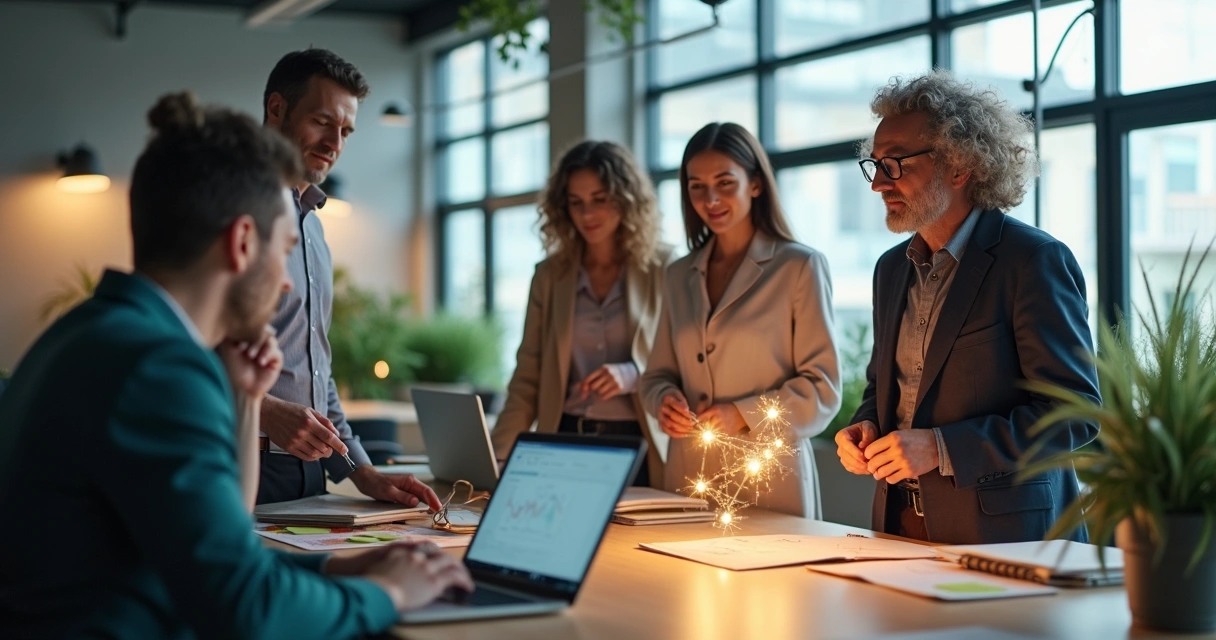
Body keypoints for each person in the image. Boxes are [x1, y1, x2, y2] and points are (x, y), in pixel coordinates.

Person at [0, 93, 470, 639]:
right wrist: (390, 592)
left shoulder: (90, 332)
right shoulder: (159, 369)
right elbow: (245, 612)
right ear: (243, 242)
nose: (288, 280)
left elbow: (215, 559)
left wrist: (334, 564)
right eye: (285, 248)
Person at [834, 70, 1101, 544]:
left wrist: (941, 448)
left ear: (960, 167)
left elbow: (1076, 414)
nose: (878, 184)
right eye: (873, 164)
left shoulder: (1033, 261)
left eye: (895, 164)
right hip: (899, 527)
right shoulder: (890, 269)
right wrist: (864, 426)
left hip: (1011, 538)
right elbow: (884, 387)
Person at [256, 48, 429, 505]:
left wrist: (361, 472)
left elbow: (317, 370)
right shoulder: (228, 209)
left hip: (309, 475)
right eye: (322, 121)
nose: (335, 143)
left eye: (346, 130)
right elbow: (183, 348)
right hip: (237, 464)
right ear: (277, 109)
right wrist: (265, 411)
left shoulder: (313, 226)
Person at [640, 123, 841, 516]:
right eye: (696, 186)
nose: (710, 198)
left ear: (755, 184)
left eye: (724, 182)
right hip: (687, 482)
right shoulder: (678, 274)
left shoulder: (799, 266)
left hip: (769, 484)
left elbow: (823, 390)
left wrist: (741, 415)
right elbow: (655, 376)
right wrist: (661, 401)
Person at [491, 140, 672, 487]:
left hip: (641, 446)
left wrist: (633, 374)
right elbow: (528, 375)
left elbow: (684, 364)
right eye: (576, 203)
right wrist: (500, 454)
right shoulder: (550, 275)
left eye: (600, 200)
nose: (587, 214)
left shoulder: (665, 268)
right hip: (565, 439)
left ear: (626, 199)